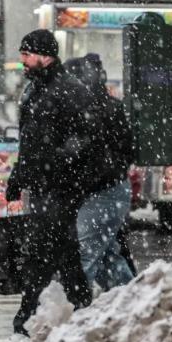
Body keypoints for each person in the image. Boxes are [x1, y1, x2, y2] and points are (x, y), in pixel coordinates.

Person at [5, 30, 93, 336]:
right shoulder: (34, 90)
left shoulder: (69, 89)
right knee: (63, 251)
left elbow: (85, 136)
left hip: (60, 186)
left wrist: (58, 159)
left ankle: (26, 316)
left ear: (46, 55)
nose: (23, 61)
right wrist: (18, 177)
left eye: (27, 54)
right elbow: (28, 144)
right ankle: (82, 306)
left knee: (43, 251)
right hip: (42, 184)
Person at [64, 54, 135, 291]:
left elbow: (87, 154)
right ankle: (131, 299)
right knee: (107, 257)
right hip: (107, 189)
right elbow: (127, 150)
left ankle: (72, 312)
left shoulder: (89, 112)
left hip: (102, 191)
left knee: (85, 256)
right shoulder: (106, 108)